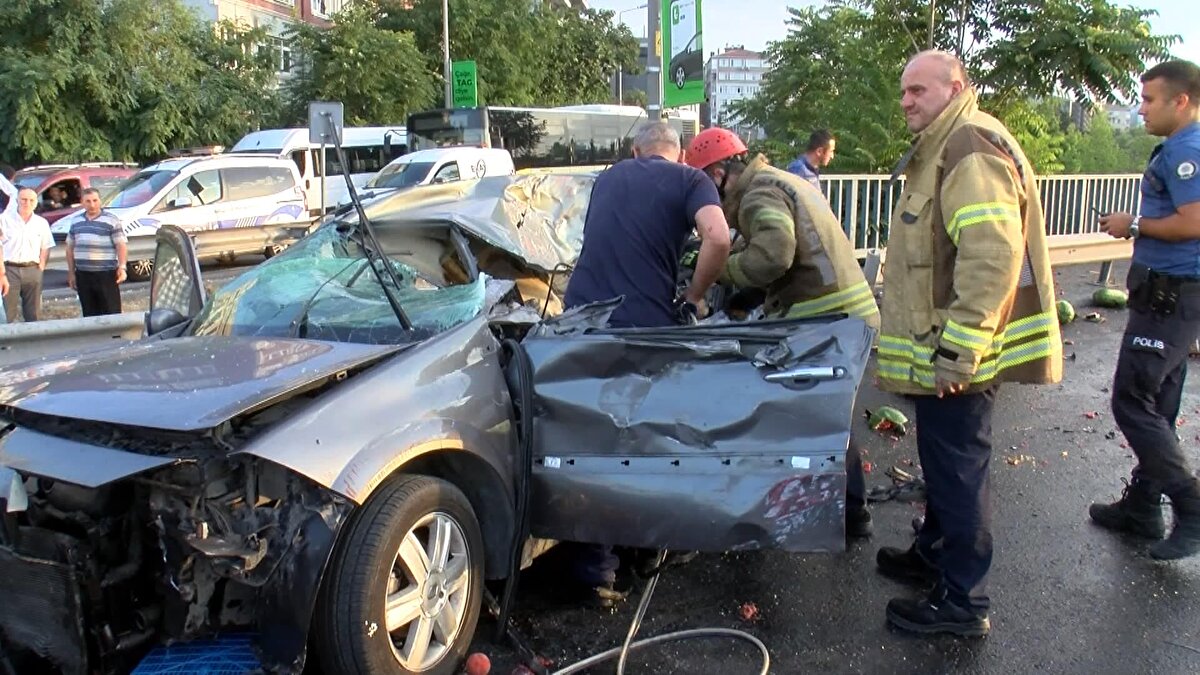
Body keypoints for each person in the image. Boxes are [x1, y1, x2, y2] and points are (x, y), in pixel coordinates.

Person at [872, 50, 1061, 637]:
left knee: (958, 472)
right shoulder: (950, 143)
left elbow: (990, 257)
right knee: (942, 460)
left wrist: (960, 350)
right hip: (946, 347)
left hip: (958, 352)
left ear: (955, 88)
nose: (906, 101)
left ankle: (963, 602)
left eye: (918, 91)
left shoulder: (969, 146)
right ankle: (934, 554)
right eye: (903, 91)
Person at [563, 121, 732, 607]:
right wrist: (695, 297)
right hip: (644, 327)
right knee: (646, 440)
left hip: (583, 323)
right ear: (678, 154)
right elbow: (717, 238)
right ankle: (646, 550)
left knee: (592, 440)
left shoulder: (609, 176)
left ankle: (595, 570)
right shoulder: (689, 180)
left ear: (635, 150)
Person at [685, 127, 879, 538]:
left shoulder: (758, 195)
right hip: (842, 313)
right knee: (829, 418)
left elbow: (773, 256)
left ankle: (841, 514)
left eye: (705, 186)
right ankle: (852, 512)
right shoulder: (779, 180)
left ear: (719, 174)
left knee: (816, 419)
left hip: (826, 318)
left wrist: (718, 271)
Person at [1091, 59, 1200, 561]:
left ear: (1181, 101)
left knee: (1132, 401)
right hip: (1171, 294)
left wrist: (1131, 224)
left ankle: (1192, 509)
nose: (1141, 109)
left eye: (1151, 99)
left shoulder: (1188, 150)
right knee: (1159, 404)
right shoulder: (1181, 146)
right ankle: (1143, 505)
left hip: (1170, 295)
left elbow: (1192, 222)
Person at [66, 188, 127, 316]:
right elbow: (70, 248)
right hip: (83, 275)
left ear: (100, 201)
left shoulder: (111, 220)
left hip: (106, 274)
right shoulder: (76, 221)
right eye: (88, 201)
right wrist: (71, 273)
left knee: (111, 311)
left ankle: (114, 336)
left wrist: (122, 267)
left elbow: (120, 244)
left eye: (95, 200)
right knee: (89, 313)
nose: (92, 204)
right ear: (82, 202)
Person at [1, 188, 55, 321]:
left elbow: (45, 246)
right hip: (9, 270)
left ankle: (34, 340)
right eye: (24, 199)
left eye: (31, 200)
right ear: (17, 201)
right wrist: (1, 273)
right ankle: (7, 340)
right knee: (7, 312)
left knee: (34, 312)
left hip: (32, 269)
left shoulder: (41, 223)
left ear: (36, 203)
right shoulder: (4, 220)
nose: (27, 203)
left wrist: (41, 267)